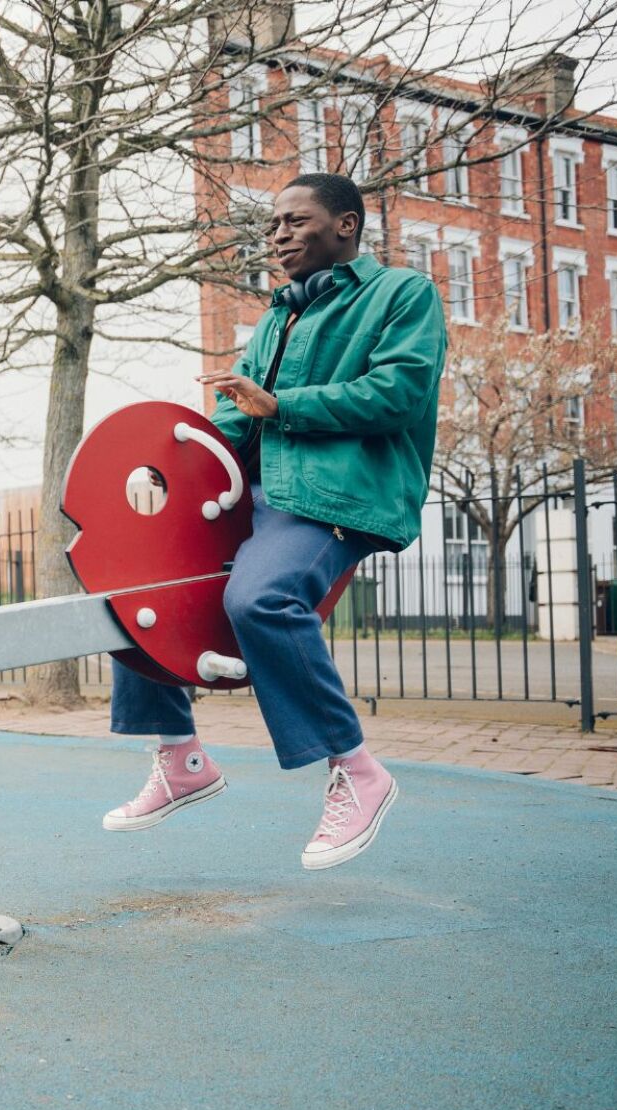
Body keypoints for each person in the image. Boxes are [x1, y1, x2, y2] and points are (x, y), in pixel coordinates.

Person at [104, 172, 447, 870]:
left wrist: (282, 407)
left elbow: (401, 392)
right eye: (273, 226)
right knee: (138, 581)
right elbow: (235, 418)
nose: (279, 236)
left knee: (260, 597)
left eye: (295, 221)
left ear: (346, 225)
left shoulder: (401, 295)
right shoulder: (277, 317)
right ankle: (179, 756)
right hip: (259, 494)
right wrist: (167, 473)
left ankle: (356, 768)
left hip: (337, 495)